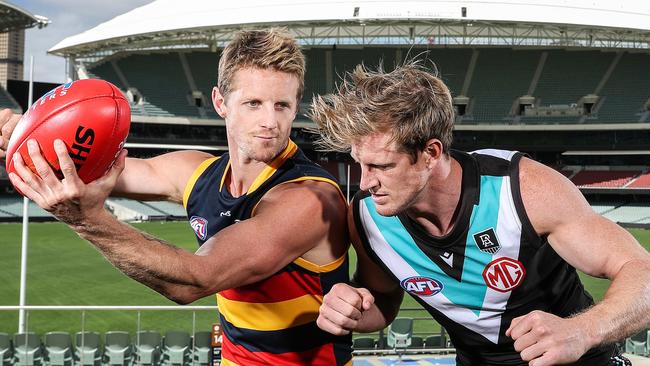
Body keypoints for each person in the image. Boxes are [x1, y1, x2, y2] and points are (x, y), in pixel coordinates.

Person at [0, 29, 353, 366]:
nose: (269, 121)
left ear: (296, 107)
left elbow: (195, 280)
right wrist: (30, 137)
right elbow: (100, 169)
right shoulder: (199, 172)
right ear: (220, 102)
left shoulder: (310, 198)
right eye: (253, 103)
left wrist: (87, 220)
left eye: (281, 105)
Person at [309, 62, 650, 366]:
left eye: (381, 166)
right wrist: (352, 309)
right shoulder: (368, 218)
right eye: (360, 165)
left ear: (430, 152)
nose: (366, 183)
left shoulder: (523, 189)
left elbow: (642, 273)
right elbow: (382, 300)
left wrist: (582, 331)